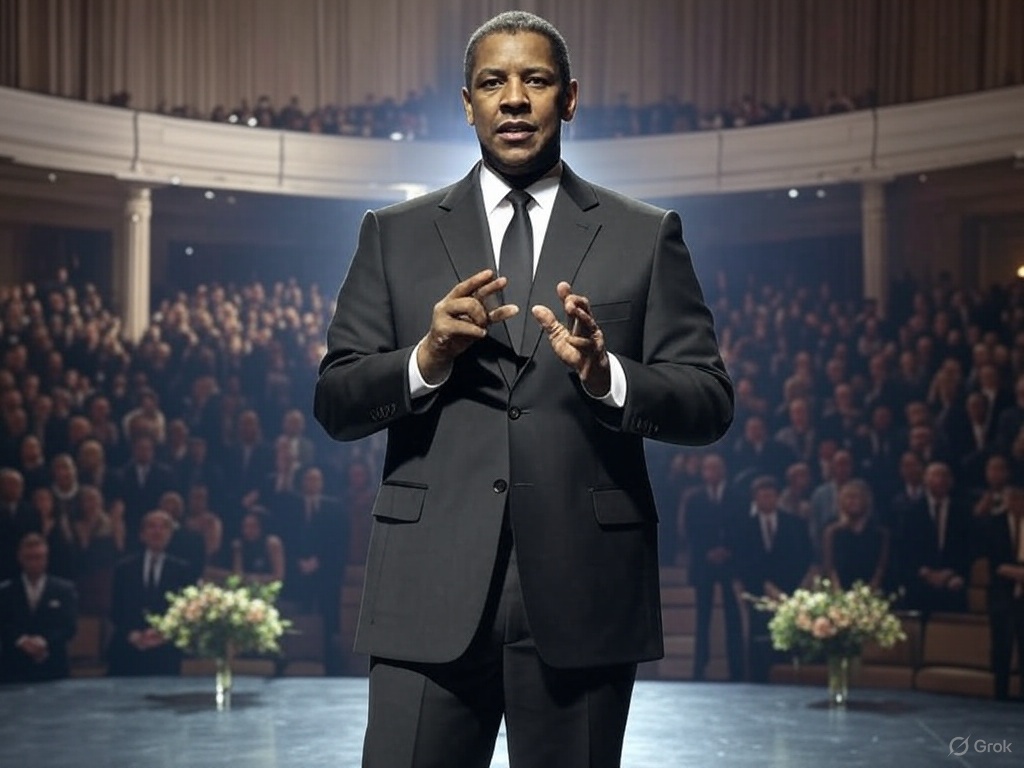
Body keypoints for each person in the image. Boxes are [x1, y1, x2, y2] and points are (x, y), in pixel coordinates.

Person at [314, 11, 732, 767]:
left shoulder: (645, 234)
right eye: (492, 82)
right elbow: (338, 401)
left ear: (568, 99)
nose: (513, 98)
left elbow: (708, 401)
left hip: (584, 593)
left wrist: (608, 378)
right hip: (426, 590)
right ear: (466, 103)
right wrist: (427, 357)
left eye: (534, 80)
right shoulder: (392, 233)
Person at [106, 510, 192, 676]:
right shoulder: (124, 568)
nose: (157, 532)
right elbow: (116, 608)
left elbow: (184, 610)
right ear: (142, 534)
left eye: (163, 527)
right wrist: (133, 635)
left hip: (165, 652)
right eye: (152, 527)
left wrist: (163, 634)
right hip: (128, 650)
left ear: (170, 534)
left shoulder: (182, 570)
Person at [0, 532, 79, 682]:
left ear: (46, 558)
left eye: (39, 557)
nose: (34, 563)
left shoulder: (64, 590)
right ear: (20, 558)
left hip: (53, 666)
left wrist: (44, 641)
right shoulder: (5, 592)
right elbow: (3, 624)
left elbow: (69, 626)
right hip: (14, 668)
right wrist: (22, 640)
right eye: (29, 558)